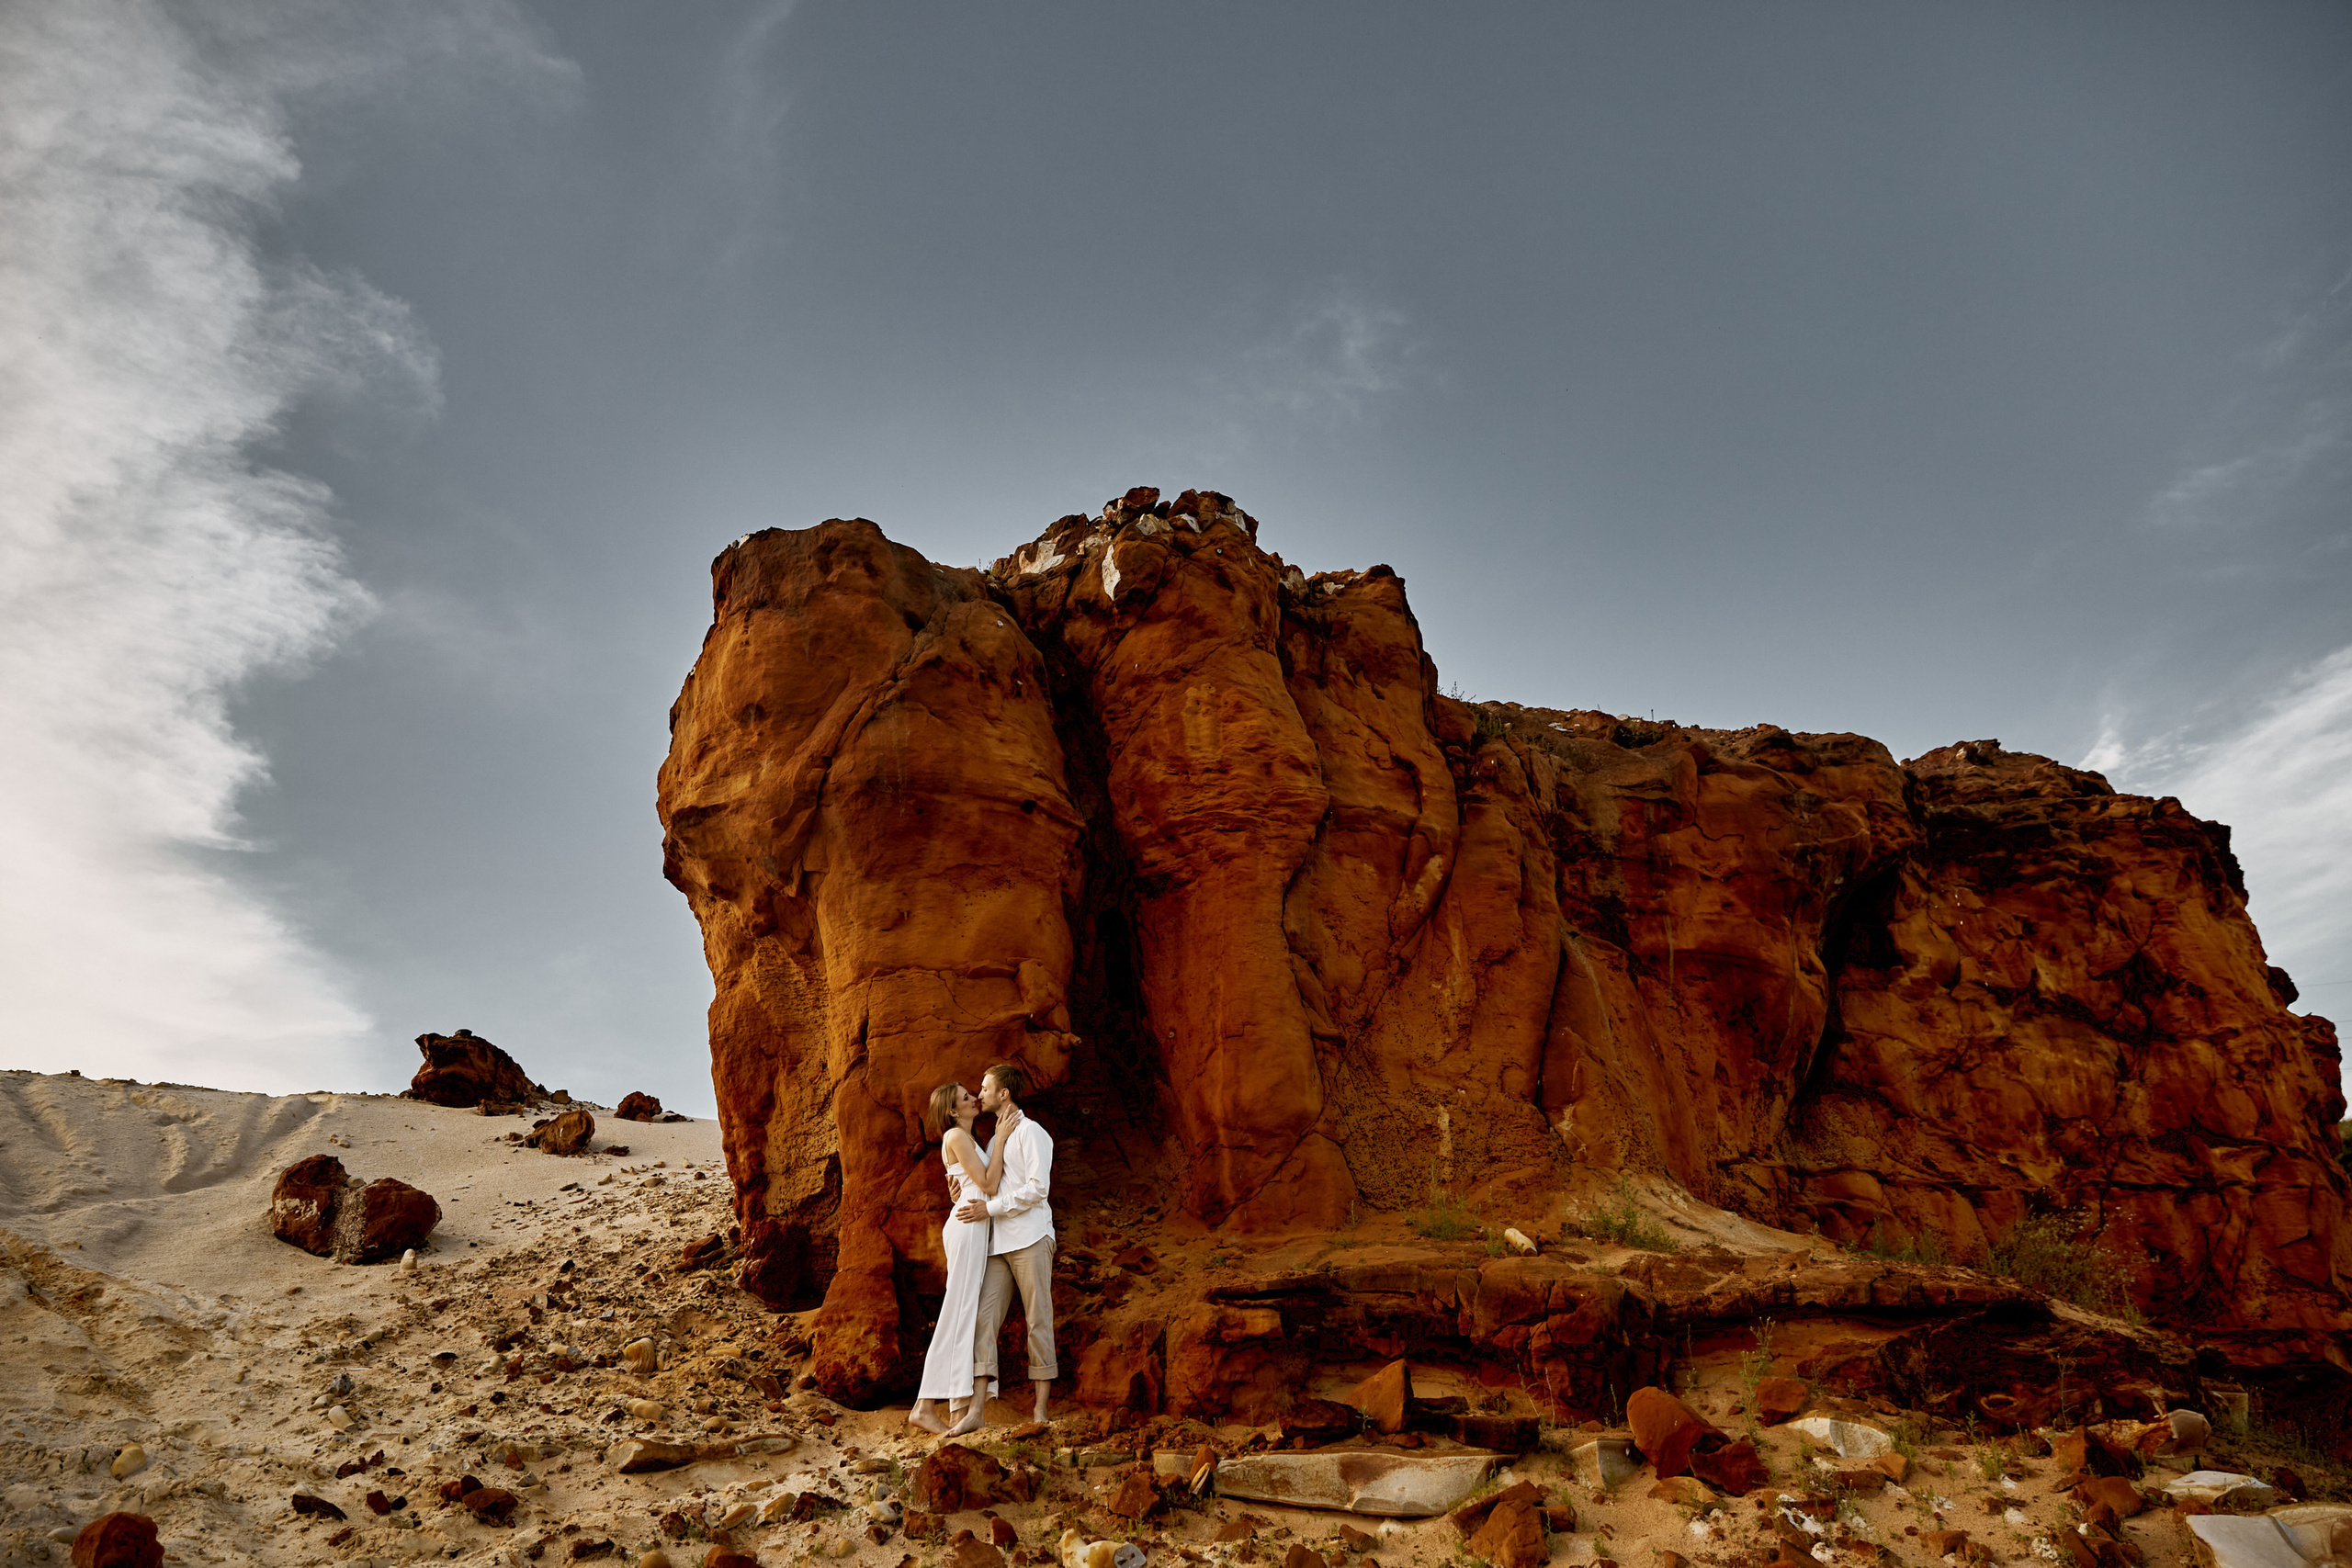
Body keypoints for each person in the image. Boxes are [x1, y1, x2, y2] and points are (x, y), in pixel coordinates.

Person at [906, 1081, 1017, 1437]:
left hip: (972, 1225)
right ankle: (923, 1406)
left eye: (972, 1094)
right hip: (968, 1228)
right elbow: (987, 1185)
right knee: (957, 1313)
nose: (974, 1099)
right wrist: (1001, 1140)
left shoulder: (968, 1139)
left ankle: (957, 1409)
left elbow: (970, 1185)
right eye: (966, 1098)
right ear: (953, 1111)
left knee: (965, 1315)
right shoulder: (955, 1136)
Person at [953, 1062, 1056, 1430]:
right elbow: (985, 1185)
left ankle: (1040, 1411)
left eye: (985, 1088)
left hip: (1031, 1238)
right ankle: (976, 1412)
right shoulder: (993, 1140)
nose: (979, 1094)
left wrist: (990, 1209)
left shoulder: (1032, 1132)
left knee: (1038, 1319)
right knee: (983, 1320)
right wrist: (958, 1191)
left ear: (1004, 1093)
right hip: (998, 1244)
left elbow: (1038, 1188)